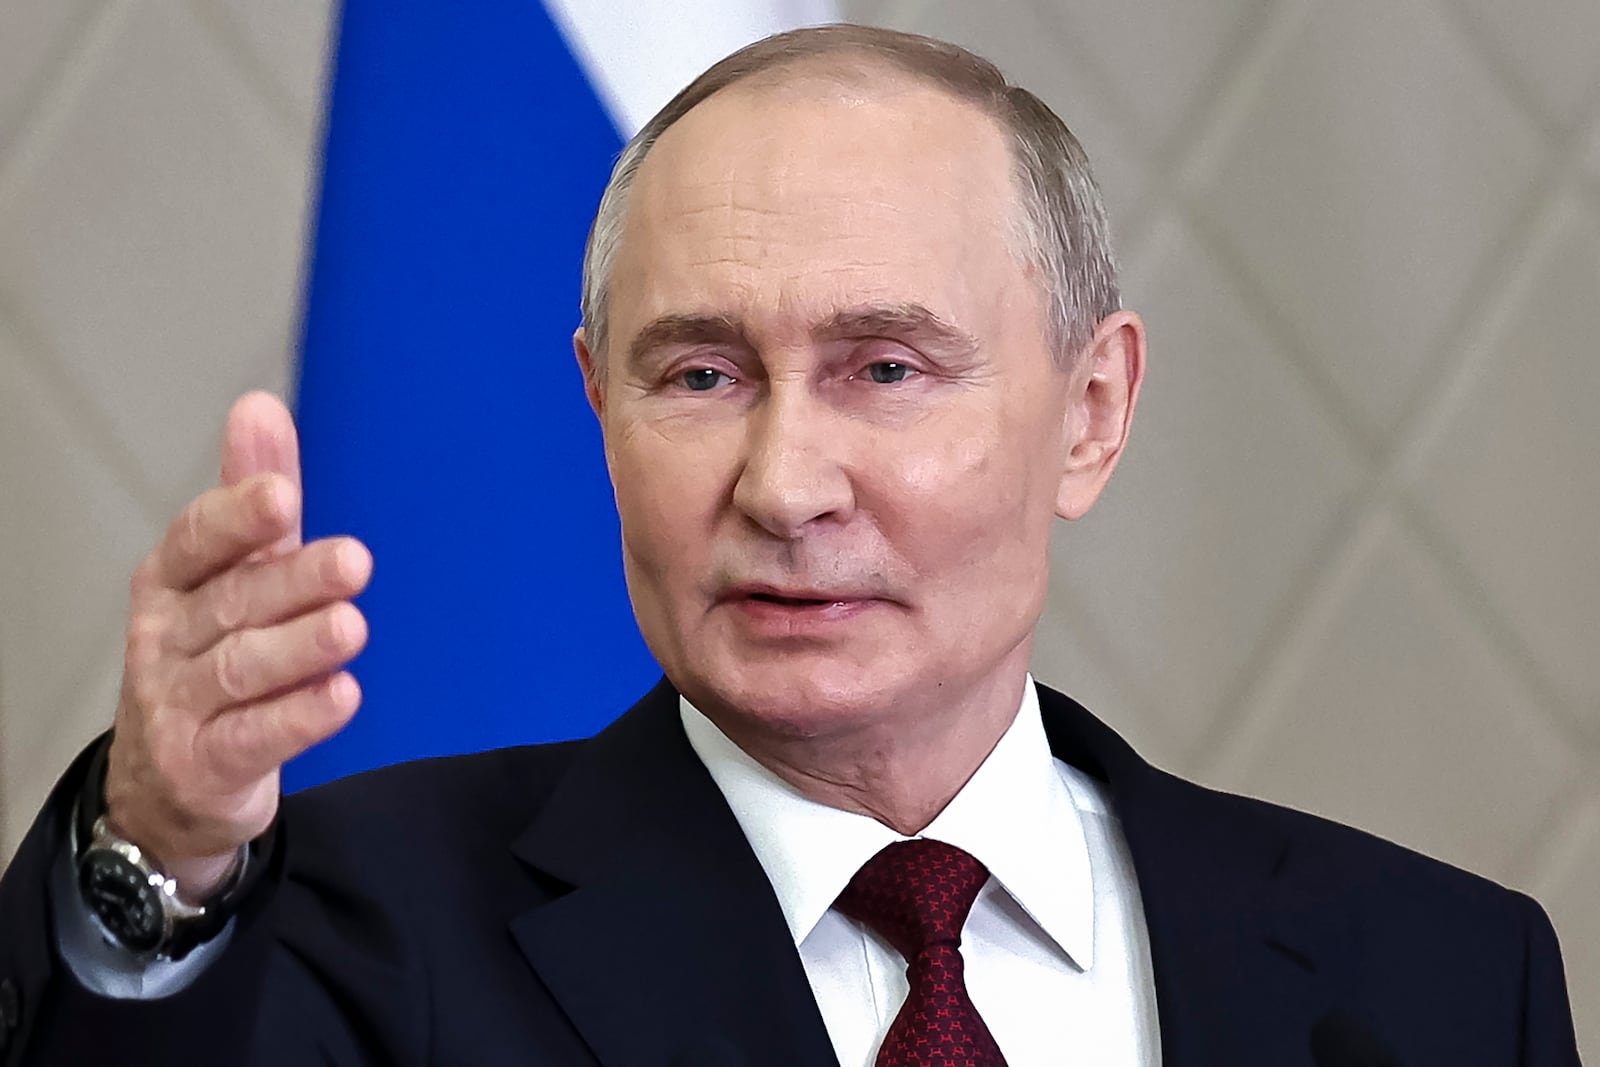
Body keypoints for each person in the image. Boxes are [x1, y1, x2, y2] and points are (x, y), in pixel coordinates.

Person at [0, 23, 1580, 1067]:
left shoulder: (1440, 982)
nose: (784, 481)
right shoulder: (345, 933)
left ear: (1091, 413)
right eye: (699, 375)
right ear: (597, 407)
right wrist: (157, 852)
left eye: (885, 369)